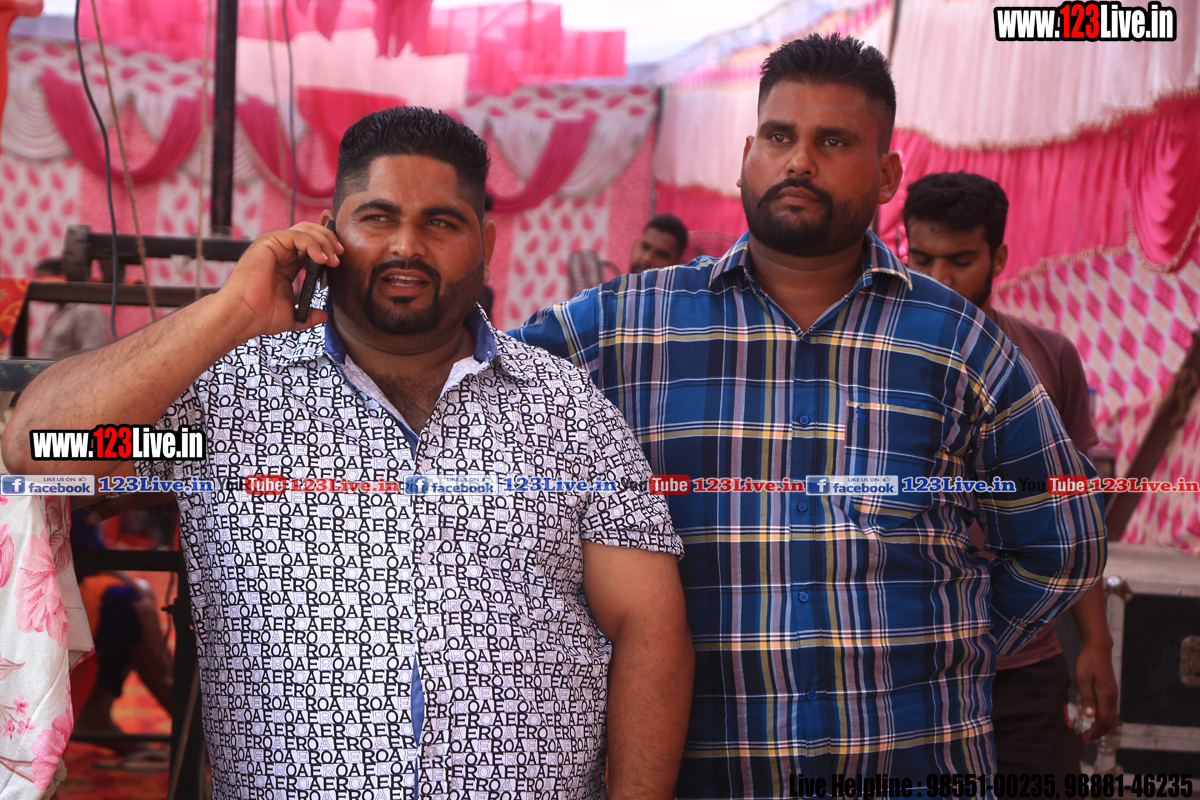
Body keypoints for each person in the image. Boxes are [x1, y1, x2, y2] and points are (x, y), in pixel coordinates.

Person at [3, 106, 694, 799]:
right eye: (378, 217)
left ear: (485, 242)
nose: (406, 246)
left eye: (441, 223)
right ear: (328, 234)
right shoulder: (226, 401)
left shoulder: (566, 411)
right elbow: (40, 448)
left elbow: (649, 627)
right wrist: (232, 311)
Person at [511, 33, 1105, 793]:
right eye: (780, 137)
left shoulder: (956, 339)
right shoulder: (621, 327)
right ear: (746, 155)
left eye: (833, 141)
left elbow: (1065, 539)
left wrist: (949, 644)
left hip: (912, 766)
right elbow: (465, 385)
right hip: (697, 773)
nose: (799, 162)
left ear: (887, 175)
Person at [902, 171, 1118, 782]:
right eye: (922, 258)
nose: (939, 278)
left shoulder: (1048, 356)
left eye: (961, 260)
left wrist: (1097, 643)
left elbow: (1071, 514)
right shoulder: (874, 362)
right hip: (906, 666)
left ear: (997, 258)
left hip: (1023, 665)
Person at [33, 257, 111, 360]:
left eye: (43, 280)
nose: (38, 286)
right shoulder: (59, 311)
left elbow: (93, 356)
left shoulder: (87, 310)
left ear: (62, 279)